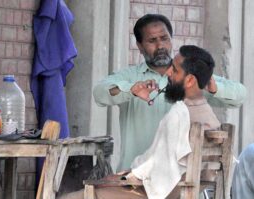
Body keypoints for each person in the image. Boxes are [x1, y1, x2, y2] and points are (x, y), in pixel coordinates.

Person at [60, 45, 221, 199]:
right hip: (178, 190)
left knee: (71, 197)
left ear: (190, 80)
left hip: (156, 192)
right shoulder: (209, 116)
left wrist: (123, 178)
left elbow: (155, 166)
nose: (169, 73)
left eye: (175, 70)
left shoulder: (180, 113)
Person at [93, 14, 247, 171]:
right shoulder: (130, 77)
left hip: (182, 182)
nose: (160, 46)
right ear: (139, 46)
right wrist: (130, 90)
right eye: (152, 41)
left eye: (164, 38)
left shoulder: (189, 77)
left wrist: (214, 87)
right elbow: (100, 93)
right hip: (136, 180)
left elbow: (240, 95)